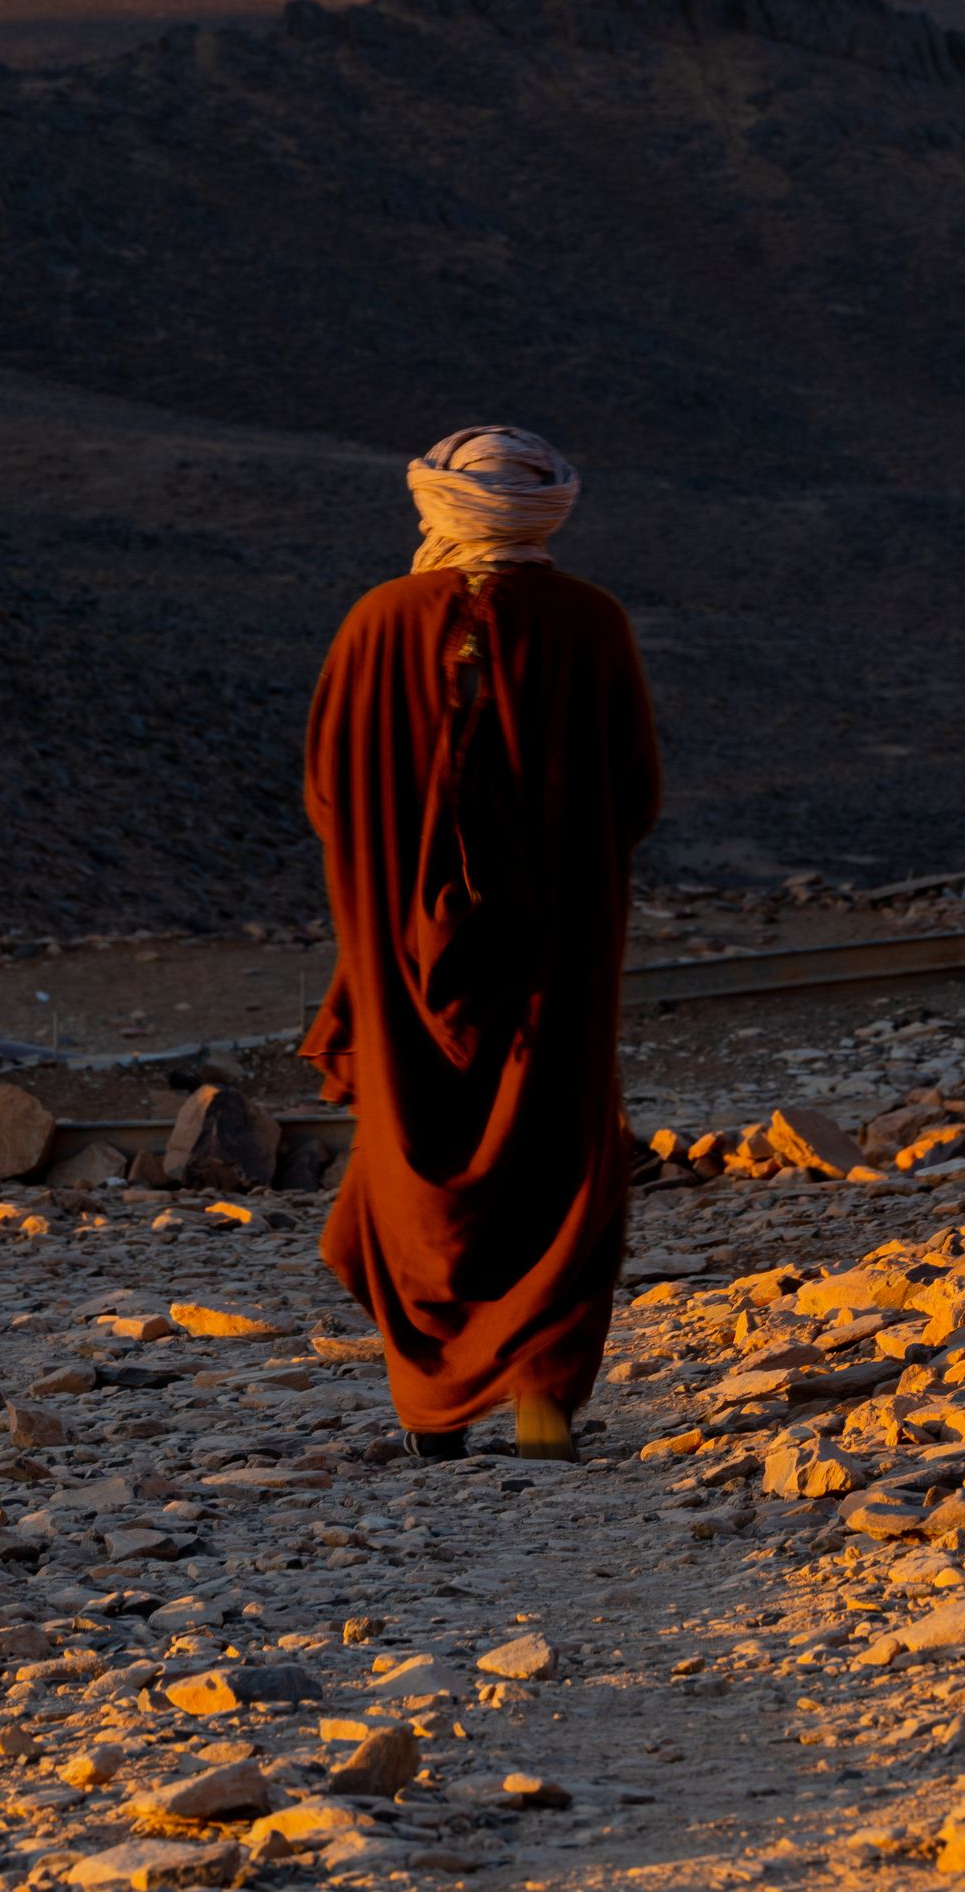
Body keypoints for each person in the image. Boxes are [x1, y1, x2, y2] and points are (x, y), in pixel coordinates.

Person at [302, 424, 662, 1462]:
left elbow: (329, 796)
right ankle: (542, 1401)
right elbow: (634, 793)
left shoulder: (375, 623)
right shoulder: (591, 625)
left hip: (398, 949)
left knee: (417, 1150)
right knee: (552, 1151)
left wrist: (399, 869)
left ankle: (430, 1408)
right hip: (558, 951)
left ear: (436, 507)